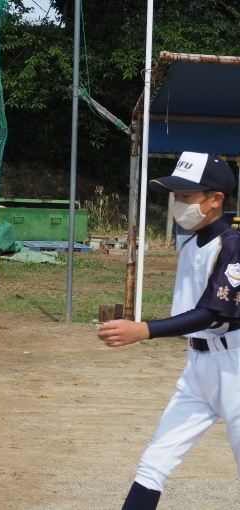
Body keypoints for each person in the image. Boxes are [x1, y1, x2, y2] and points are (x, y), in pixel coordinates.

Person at [97, 152, 240, 510]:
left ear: (216, 199)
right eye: (176, 196)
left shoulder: (233, 245)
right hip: (199, 367)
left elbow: (210, 313)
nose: (178, 203)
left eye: (186, 196)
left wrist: (143, 330)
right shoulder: (191, 245)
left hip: (235, 367)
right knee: (155, 462)